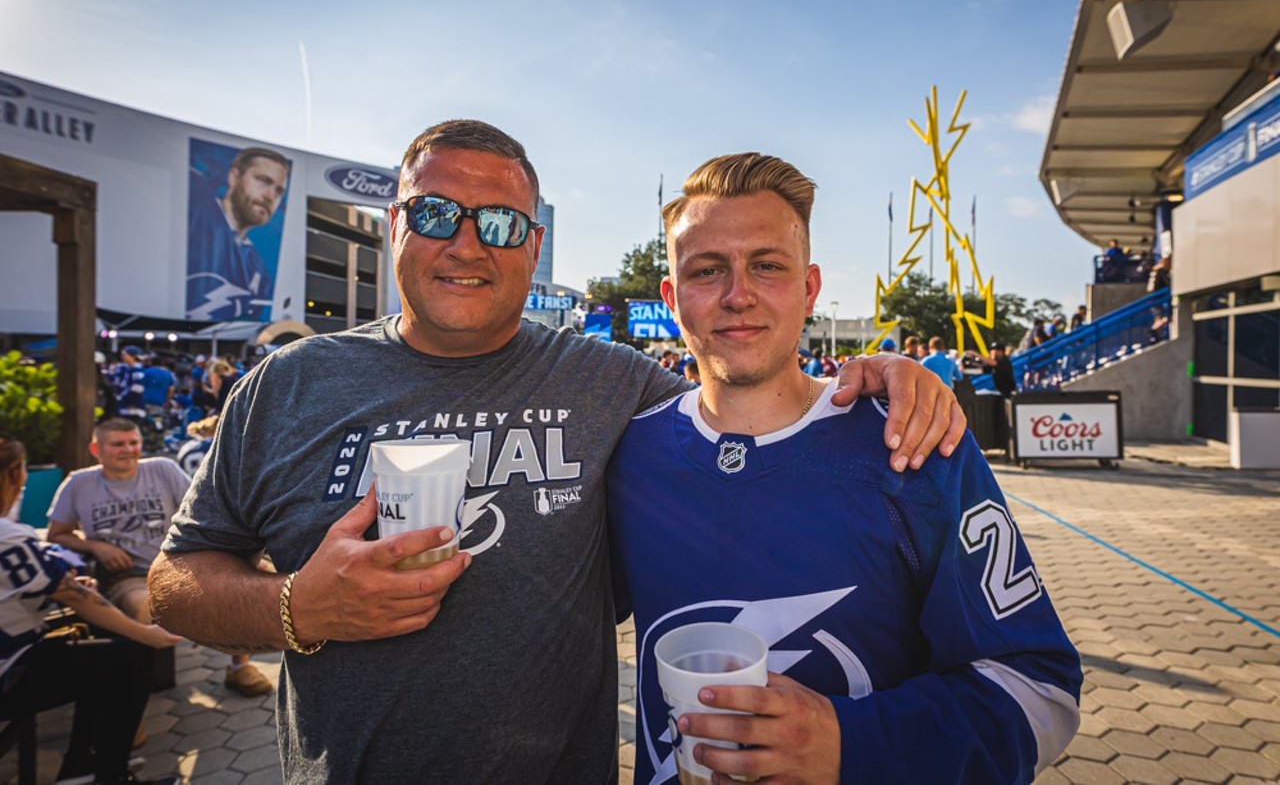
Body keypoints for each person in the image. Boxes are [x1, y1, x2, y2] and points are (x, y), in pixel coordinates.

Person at [148, 120, 966, 782]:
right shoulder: (287, 385)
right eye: (436, 214)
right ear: (395, 224)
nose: (468, 245)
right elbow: (174, 584)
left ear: (532, 247)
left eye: (500, 224)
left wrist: (882, 374)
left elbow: (743, 393)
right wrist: (297, 607)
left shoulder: (612, 382)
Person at [607, 152, 1080, 784]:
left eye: (767, 266)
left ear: (809, 288)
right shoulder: (626, 453)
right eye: (707, 269)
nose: (737, 294)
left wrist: (851, 743)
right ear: (672, 297)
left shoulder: (908, 441)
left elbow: (1040, 690)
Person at [0, 433, 182, 785]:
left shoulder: (162, 470)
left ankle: (81, 767)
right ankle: (108, 776)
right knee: (129, 657)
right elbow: (75, 597)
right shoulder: (8, 535)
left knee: (95, 652)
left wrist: (61, 586)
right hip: (9, 672)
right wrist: (149, 636)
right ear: (14, 473)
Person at [46, 419, 273, 697]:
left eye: (133, 442)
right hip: (128, 576)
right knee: (143, 604)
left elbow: (205, 511)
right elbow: (56, 535)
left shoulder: (162, 469)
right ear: (96, 448)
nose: (128, 450)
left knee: (244, 582)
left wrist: (231, 557)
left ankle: (239, 667)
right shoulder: (79, 484)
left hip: (178, 566)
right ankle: (133, 698)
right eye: (118, 444)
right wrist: (95, 546)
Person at [186, 146, 291, 322]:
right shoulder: (195, 207)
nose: (270, 196)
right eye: (263, 180)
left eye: (279, 191)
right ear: (234, 176)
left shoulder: (260, 275)